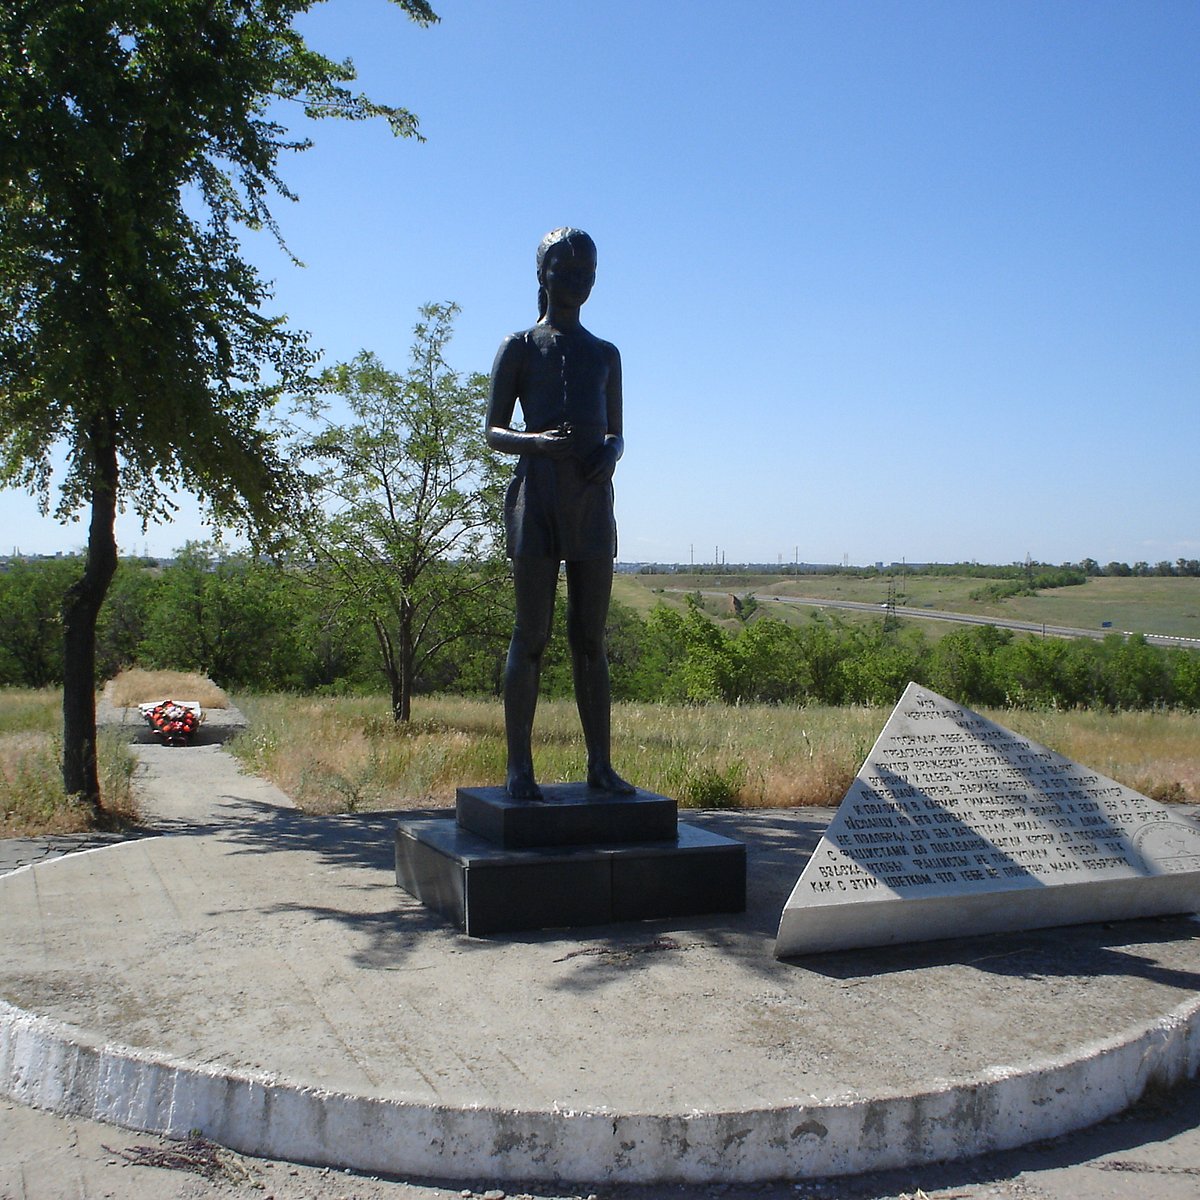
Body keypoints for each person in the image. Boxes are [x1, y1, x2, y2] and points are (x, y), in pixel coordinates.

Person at [485, 227, 635, 800]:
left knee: (590, 639)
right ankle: (519, 768)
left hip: (592, 503)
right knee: (531, 636)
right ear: (541, 275)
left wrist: (611, 454)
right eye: (564, 270)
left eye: (585, 272)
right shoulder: (520, 346)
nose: (575, 281)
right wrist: (540, 442)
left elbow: (619, 432)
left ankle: (601, 765)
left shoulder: (605, 354)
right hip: (538, 498)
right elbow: (493, 431)